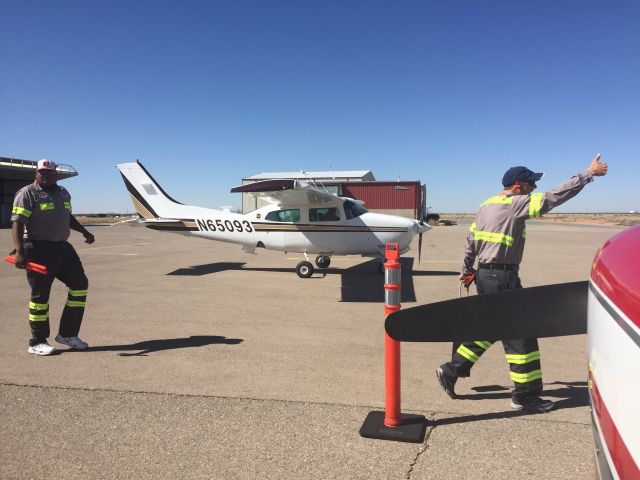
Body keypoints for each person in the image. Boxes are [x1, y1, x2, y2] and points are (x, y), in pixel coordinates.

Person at [435, 153, 608, 412]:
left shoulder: (485, 206)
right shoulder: (515, 204)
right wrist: (587, 174)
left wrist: (467, 269)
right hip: (502, 277)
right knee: (522, 335)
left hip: (485, 276)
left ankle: (451, 370)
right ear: (518, 186)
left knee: (492, 328)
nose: (534, 189)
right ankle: (524, 395)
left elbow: (470, 240)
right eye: (530, 184)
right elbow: (553, 197)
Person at [11, 159, 95, 355]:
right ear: (36, 174)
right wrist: (20, 251)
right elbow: (17, 223)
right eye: (42, 172)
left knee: (80, 284)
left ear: (55, 174)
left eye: (49, 172)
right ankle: (37, 341)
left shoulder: (63, 192)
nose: (46, 175)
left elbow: (68, 217)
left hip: (62, 248)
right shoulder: (27, 193)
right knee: (40, 295)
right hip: (37, 248)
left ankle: (67, 334)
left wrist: (84, 231)